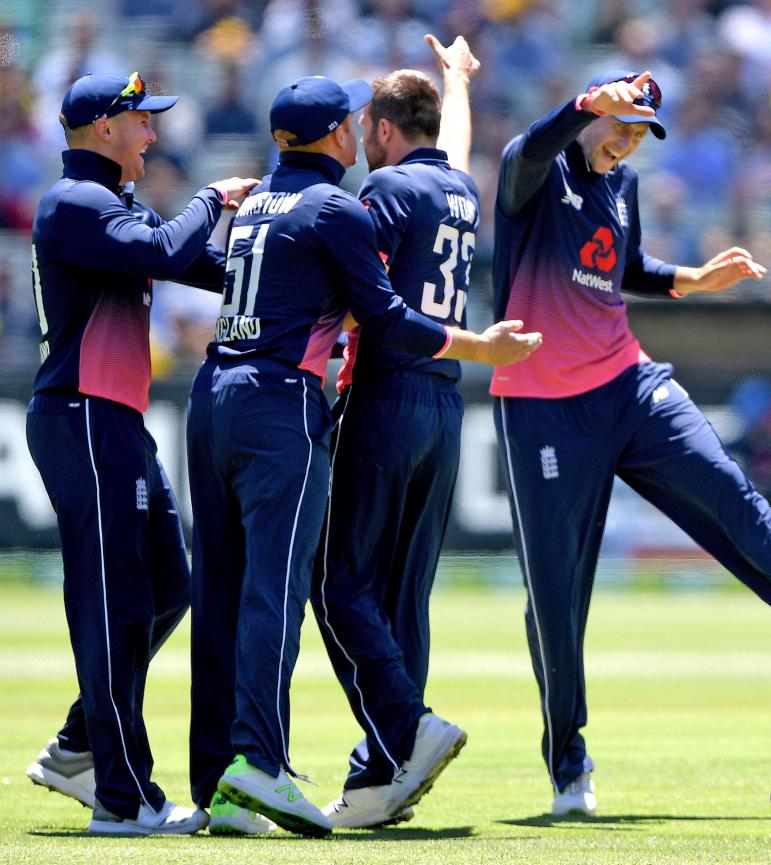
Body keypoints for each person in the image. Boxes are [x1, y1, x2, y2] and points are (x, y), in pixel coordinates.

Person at [491, 69, 771, 818]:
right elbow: (525, 156)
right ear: (585, 115)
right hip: (542, 404)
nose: (627, 139)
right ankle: (568, 761)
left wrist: (693, 280)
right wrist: (582, 106)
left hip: (628, 383)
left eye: (640, 131)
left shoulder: (623, 184)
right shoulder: (535, 171)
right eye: (618, 124)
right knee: (554, 595)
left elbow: (624, 268)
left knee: (725, 488)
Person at [185, 75, 540, 837]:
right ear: (335, 136)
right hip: (337, 396)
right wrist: (481, 345)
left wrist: (455, 83)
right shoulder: (361, 202)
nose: (357, 130)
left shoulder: (256, 207)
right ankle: (353, 749)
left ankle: (239, 773)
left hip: (217, 389)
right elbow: (380, 307)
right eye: (347, 120)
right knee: (323, 590)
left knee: (245, 587)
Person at [24, 71, 257, 835]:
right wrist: (214, 200)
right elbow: (166, 248)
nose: (152, 136)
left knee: (165, 588)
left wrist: (291, 273)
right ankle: (122, 798)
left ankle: (80, 743)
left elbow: (203, 268)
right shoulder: (75, 202)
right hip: (83, 416)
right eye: (140, 122)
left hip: (112, 420)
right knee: (113, 602)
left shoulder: (112, 205)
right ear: (101, 129)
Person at [314, 35, 484, 829]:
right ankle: (382, 774)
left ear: (382, 129)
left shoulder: (384, 190)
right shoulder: (460, 189)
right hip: (446, 404)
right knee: (403, 596)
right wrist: (458, 78)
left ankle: (401, 736)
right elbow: (457, 142)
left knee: (338, 581)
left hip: (385, 392)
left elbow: (361, 294)